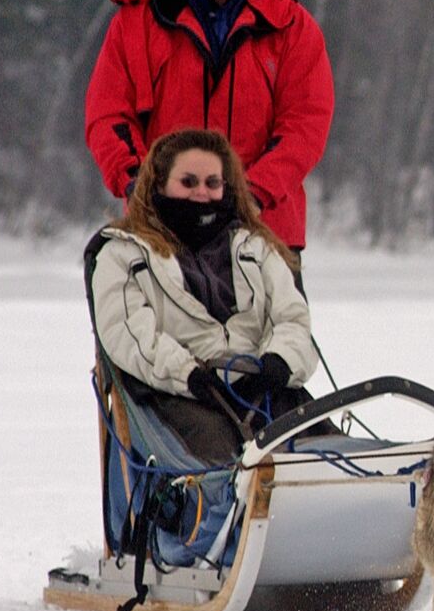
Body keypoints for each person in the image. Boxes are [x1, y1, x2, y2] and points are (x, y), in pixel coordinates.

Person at [84, 0, 334, 253]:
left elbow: (306, 127)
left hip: (265, 240)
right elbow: (107, 118)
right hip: (161, 242)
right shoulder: (136, 25)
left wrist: (250, 196)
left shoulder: (292, 27)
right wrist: (141, 186)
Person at [90, 129, 318, 462]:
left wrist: (280, 361)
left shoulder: (256, 248)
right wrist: (190, 375)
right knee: (225, 478)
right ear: (159, 184)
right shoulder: (124, 254)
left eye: (212, 183)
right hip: (178, 396)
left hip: (264, 390)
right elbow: (130, 334)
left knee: (337, 462)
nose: (202, 193)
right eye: (189, 182)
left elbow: (292, 319)